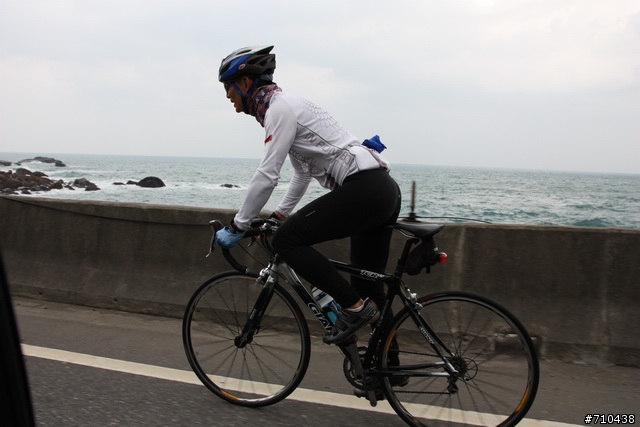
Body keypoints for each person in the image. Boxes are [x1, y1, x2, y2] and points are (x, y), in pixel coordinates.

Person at [214, 46, 401, 345]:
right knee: (370, 289)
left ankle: (353, 309)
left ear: (245, 82)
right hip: (382, 190)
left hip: (365, 189)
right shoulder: (288, 106)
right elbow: (302, 174)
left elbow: (267, 174)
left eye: (228, 87)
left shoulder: (279, 109)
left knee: (286, 240)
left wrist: (239, 224)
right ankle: (387, 364)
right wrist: (278, 214)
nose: (227, 96)